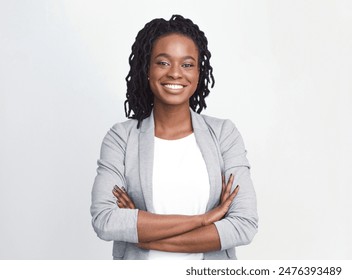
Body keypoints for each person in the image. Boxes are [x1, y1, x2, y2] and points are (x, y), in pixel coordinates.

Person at [90, 14, 258, 260]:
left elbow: (244, 225)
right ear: (147, 69)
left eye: (187, 64)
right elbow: (105, 220)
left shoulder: (223, 134)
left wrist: (143, 233)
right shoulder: (121, 138)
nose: (176, 73)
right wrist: (202, 220)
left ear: (199, 73)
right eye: (163, 62)